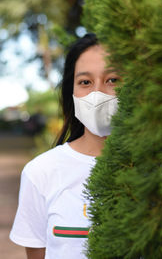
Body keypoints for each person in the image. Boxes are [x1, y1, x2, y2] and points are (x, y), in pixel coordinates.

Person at [9, 33, 121, 259]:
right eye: (85, 82)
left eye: (113, 79)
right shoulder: (41, 172)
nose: (97, 93)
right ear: (72, 93)